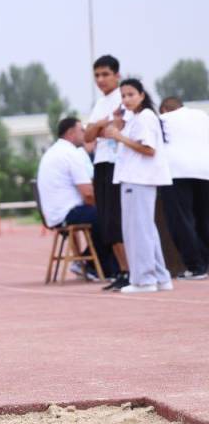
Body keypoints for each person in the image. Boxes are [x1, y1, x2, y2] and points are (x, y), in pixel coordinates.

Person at [103, 79, 173, 293]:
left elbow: (148, 149)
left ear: (142, 95)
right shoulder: (136, 118)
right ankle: (160, 277)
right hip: (136, 178)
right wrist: (118, 123)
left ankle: (145, 280)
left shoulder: (145, 117)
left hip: (138, 179)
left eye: (131, 94)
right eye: (123, 96)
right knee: (146, 229)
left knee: (137, 231)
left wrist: (120, 137)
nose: (126, 99)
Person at [36, 117, 108, 277]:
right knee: (109, 217)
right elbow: (88, 194)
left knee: (102, 215)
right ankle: (94, 266)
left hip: (54, 214)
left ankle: (87, 263)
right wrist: (104, 205)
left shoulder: (54, 152)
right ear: (70, 133)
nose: (85, 133)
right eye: (81, 130)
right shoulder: (71, 154)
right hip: (67, 213)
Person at [84, 54, 130, 290]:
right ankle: (122, 271)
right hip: (101, 164)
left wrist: (99, 127)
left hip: (118, 163)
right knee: (107, 222)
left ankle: (131, 270)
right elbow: (88, 137)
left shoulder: (124, 98)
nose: (100, 80)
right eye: (97, 75)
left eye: (105, 74)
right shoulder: (100, 103)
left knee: (118, 219)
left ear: (117, 75)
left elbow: (119, 128)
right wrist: (101, 125)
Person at [159, 97, 209, 280]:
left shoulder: (163, 119)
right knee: (204, 219)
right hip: (205, 171)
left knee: (181, 221)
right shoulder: (201, 115)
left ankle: (195, 266)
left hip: (176, 172)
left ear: (164, 109)